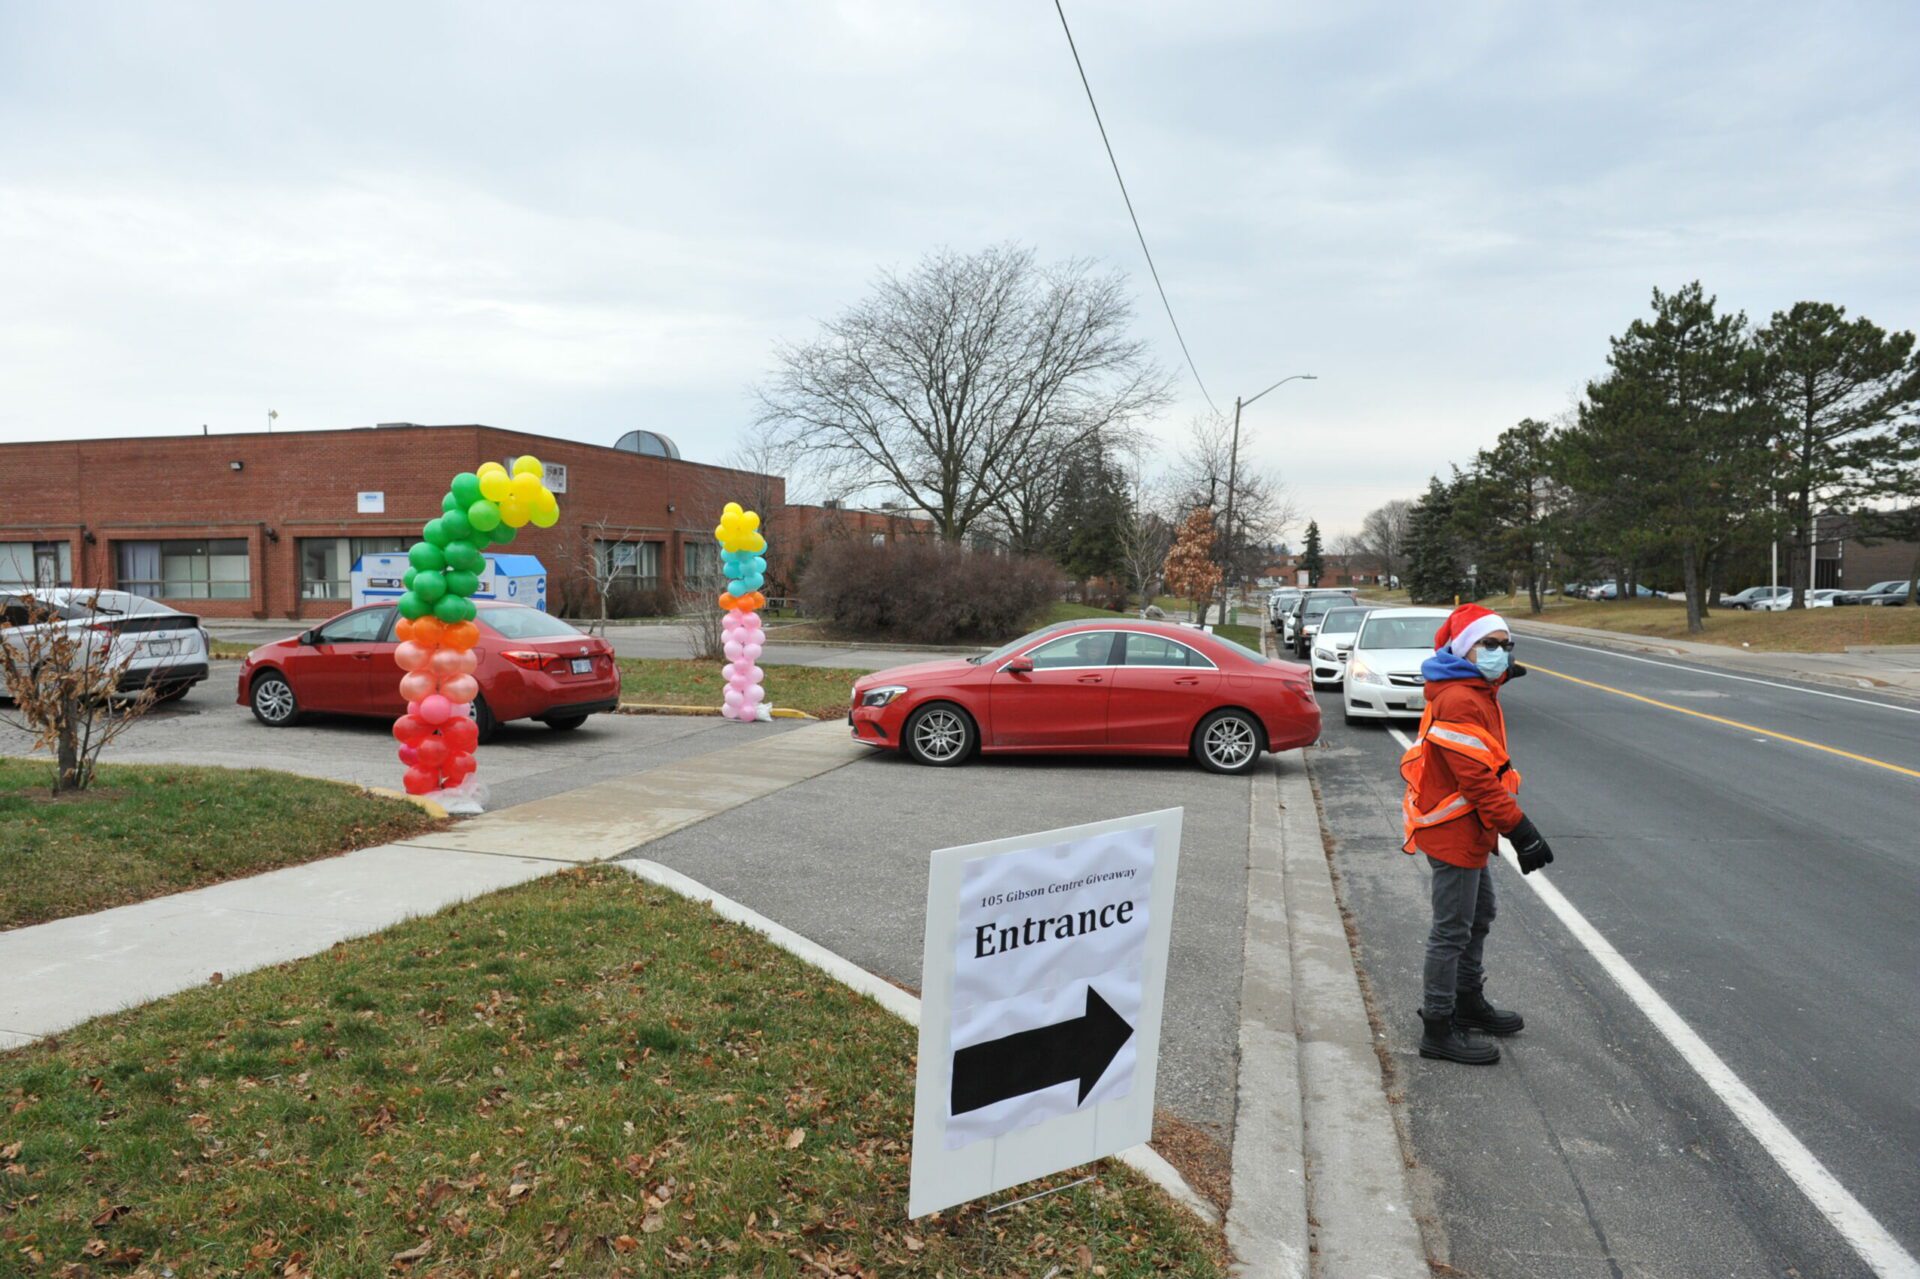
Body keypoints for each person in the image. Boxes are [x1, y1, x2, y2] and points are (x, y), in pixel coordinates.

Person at [1397, 603, 1556, 1065]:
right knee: (1451, 930)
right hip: (1453, 828)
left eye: (1507, 646)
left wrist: (1502, 671)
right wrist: (1522, 832)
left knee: (1480, 913)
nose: (1500, 654)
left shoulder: (1476, 688)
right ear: (1466, 649)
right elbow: (1479, 782)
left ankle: (1467, 1002)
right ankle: (1439, 1026)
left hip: (1470, 828)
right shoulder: (1460, 699)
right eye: (1490, 645)